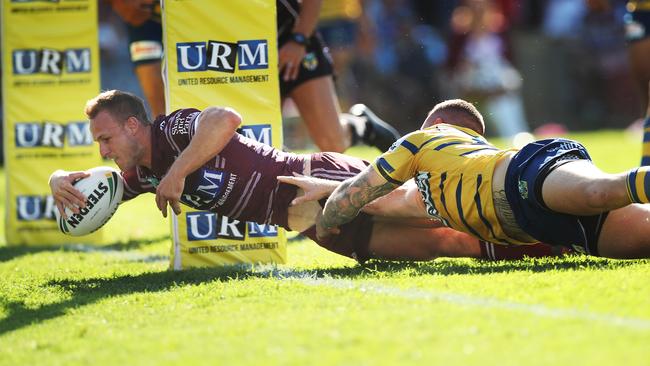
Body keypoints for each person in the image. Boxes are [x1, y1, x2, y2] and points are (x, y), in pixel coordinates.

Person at [49, 90, 562, 263]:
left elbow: (224, 119)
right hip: (309, 225)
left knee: (436, 213)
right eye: (99, 144)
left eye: (107, 138)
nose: (102, 149)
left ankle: (542, 201)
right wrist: (57, 180)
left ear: (135, 124)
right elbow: (101, 189)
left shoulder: (170, 132)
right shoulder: (139, 171)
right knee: (447, 246)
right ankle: (558, 242)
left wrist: (178, 172)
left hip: (314, 176)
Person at [314, 97, 650, 259]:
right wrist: (331, 193)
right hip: (543, 224)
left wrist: (326, 222)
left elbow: (357, 192)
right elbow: (393, 202)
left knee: (599, 192)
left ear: (439, 123)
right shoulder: (445, 176)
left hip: (524, 176)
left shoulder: (423, 140)